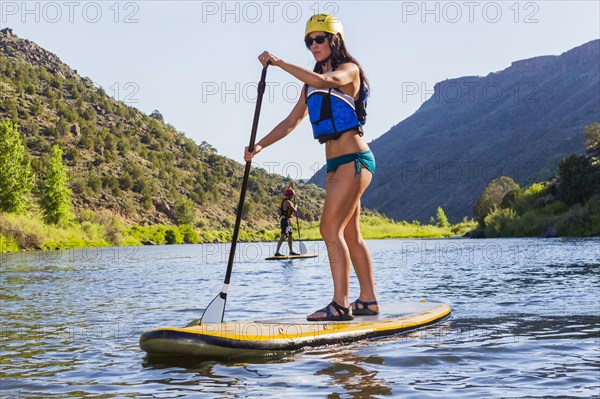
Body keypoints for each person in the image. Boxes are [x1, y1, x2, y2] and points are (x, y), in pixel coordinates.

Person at [244, 14, 379, 321]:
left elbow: (325, 80)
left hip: (355, 160)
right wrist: (260, 145)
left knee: (328, 228)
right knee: (350, 234)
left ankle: (340, 304)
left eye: (320, 39)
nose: (314, 45)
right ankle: (368, 301)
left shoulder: (348, 71)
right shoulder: (309, 88)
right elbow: (291, 123)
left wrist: (279, 63)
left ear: (335, 40)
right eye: (309, 41)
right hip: (334, 165)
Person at [274, 188, 299, 256]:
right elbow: (295, 211)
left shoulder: (283, 201)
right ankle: (277, 252)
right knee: (283, 236)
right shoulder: (287, 202)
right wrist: (296, 206)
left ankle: (291, 251)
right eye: (292, 195)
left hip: (287, 220)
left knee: (290, 236)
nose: (292, 197)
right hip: (285, 221)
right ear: (290, 195)